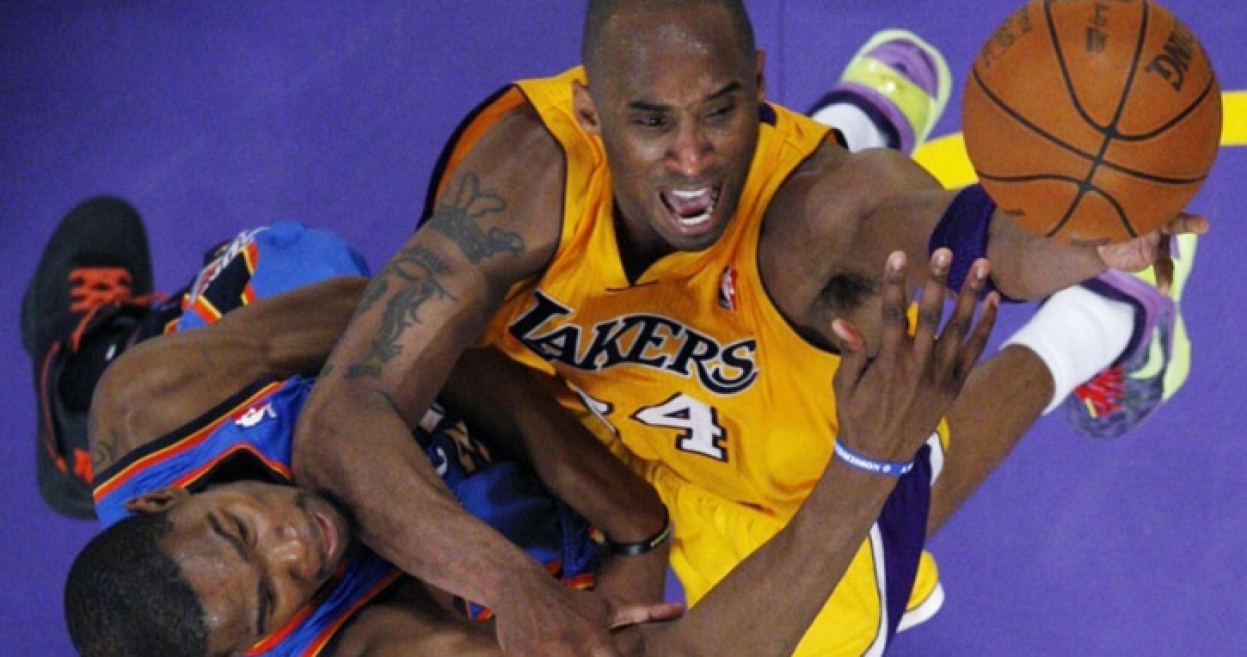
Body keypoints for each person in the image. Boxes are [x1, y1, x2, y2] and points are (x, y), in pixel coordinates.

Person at [292, 2, 1206, 655]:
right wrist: (511, 586)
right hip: (585, 434)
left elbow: (975, 244)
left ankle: (1105, 320)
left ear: (760, 87)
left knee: (906, 455)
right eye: (650, 121)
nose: (690, 154)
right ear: (590, 113)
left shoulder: (828, 220)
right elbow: (341, 422)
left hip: (768, 447)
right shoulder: (519, 183)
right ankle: (863, 114)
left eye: (722, 110)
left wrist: (1091, 243)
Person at [62, 201, 997, 656]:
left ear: (165, 497)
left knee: (297, 262)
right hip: (474, 517)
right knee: (832, 612)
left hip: (349, 373)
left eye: (239, 529)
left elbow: (385, 318)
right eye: (272, 593)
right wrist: (630, 543)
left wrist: (597, 482)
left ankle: (85, 356)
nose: (295, 547)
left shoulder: (147, 409)